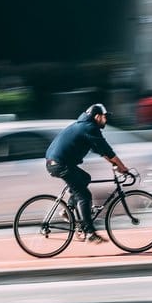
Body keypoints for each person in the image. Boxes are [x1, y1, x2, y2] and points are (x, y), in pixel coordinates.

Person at [45, 103, 129, 244]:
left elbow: (101, 151)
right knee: (84, 195)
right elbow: (107, 150)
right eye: (104, 117)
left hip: (58, 162)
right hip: (60, 164)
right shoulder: (89, 128)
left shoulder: (83, 126)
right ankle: (90, 233)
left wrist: (115, 164)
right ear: (97, 116)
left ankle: (68, 210)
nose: (106, 120)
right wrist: (122, 167)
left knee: (85, 178)